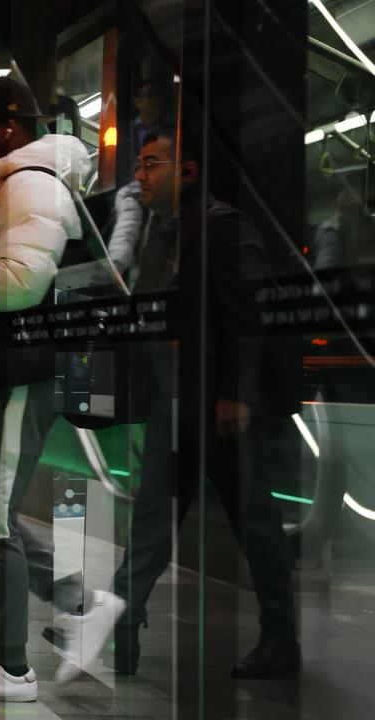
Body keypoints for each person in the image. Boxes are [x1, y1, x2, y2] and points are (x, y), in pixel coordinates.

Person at [53, 124, 300, 683]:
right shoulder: (164, 231)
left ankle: (281, 638)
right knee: (150, 520)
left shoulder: (223, 228)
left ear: (186, 171)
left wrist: (235, 395)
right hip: (174, 403)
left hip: (218, 406)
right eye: (138, 164)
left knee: (255, 523)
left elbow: (244, 317)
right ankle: (120, 621)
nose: (139, 175)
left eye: (150, 164)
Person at [0, 76, 91, 704]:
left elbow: (24, 281)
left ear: (5, 127)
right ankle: (71, 596)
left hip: (15, 373)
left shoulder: (33, 184)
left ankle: (12, 668)